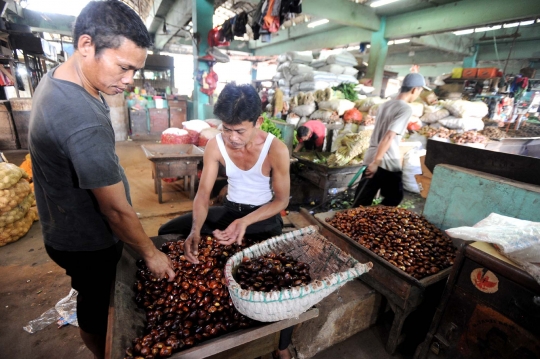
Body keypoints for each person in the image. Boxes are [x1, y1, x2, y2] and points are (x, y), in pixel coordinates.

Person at [28, 2, 175, 358]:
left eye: (135, 70)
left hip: (60, 224)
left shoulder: (58, 79)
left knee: (94, 296)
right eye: (123, 67)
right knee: (98, 309)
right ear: (86, 46)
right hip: (86, 240)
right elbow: (115, 210)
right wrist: (150, 253)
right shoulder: (82, 118)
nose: (128, 81)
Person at [158, 83, 293, 359]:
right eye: (226, 129)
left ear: (258, 121)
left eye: (240, 130)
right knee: (167, 231)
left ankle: (282, 346)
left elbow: (281, 201)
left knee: (282, 284)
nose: (232, 138)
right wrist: (195, 229)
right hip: (230, 210)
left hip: (263, 217)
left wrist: (245, 222)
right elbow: (204, 194)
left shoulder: (275, 149)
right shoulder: (214, 145)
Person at [353, 73, 430, 207]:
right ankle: (375, 221)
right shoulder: (405, 108)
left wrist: (374, 161)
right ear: (414, 90)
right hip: (386, 160)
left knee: (362, 199)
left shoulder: (385, 105)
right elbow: (388, 136)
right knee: (394, 198)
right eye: (420, 91)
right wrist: (377, 162)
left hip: (372, 155)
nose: (418, 94)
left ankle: (355, 223)